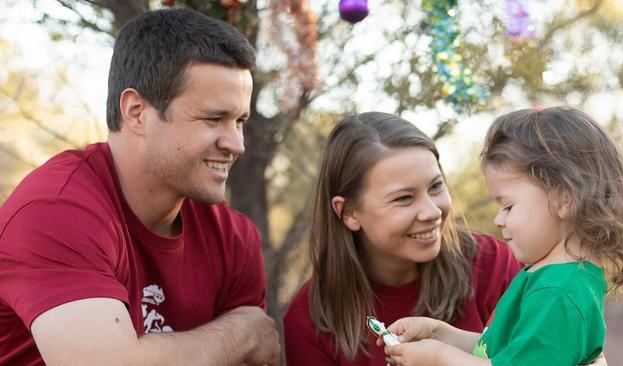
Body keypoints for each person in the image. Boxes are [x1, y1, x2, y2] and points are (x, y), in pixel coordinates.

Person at [0, 9, 280, 365]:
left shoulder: (234, 238)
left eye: (239, 121)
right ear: (135, 112)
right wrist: (239, 334)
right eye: (214, 119)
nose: (236, 144)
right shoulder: (54, 212)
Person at [383, 106, 623, 366]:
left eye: (508, 206)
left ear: (564, 199)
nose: (498, 220)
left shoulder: (558, 292)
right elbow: (504, 351)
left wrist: (439, 358)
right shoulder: (550, 276)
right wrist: (440, 334)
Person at [283, 112, 523, 366]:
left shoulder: (492, 264)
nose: (432, 212)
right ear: (349, 213)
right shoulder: (308, 322)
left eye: (435, 186)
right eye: (404, 198)